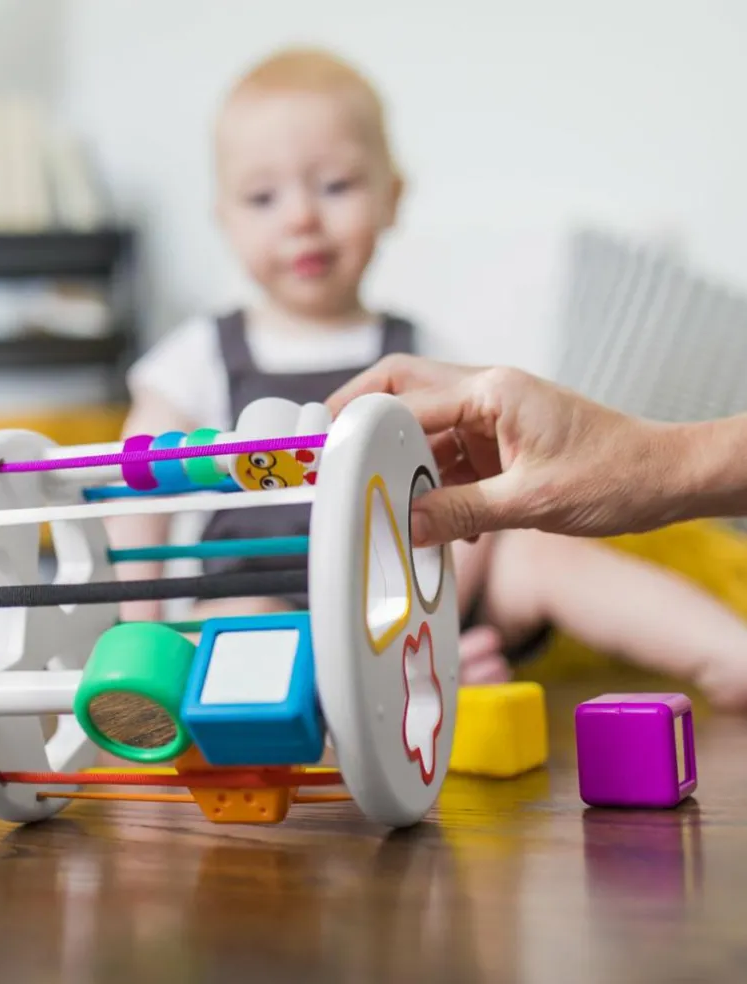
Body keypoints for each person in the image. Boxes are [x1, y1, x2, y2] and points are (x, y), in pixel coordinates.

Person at [106, 47, 418, 623]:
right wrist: (139, 624)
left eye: (335, 185)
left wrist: (444, 622)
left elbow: (463, 501)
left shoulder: (419, 356)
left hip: (388, 601)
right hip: (254, 589)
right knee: (247, 621)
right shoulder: (198, 355)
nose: (300, 218)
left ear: (391, 199)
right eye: (262, 198)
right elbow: (140, 481)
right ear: (226, 220)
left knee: (532, 550)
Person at [327, 356, 747, 708]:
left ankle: (733, 658)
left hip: (439, 593)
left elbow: (475, 497)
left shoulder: (411, 358)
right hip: (334, 629)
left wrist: (435, 631)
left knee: (536, 552)